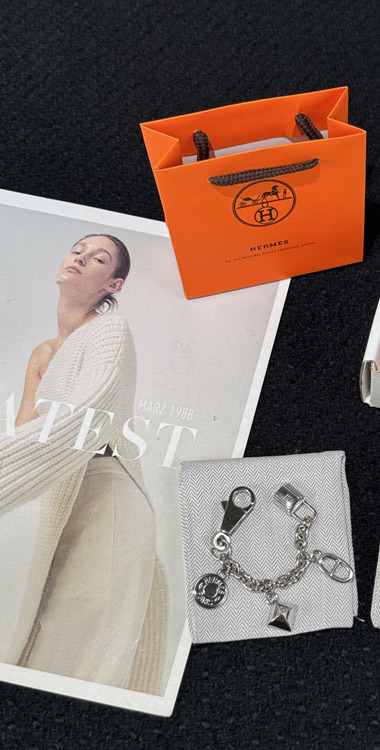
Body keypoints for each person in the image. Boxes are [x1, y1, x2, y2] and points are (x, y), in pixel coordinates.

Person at [0, 234, 166, 694]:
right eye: (78, 249)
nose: (81, 257)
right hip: (62, 497)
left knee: (86, 645)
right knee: (44, 635)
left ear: (113, 284)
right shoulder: (43, 352)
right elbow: (25, 432)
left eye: (98, 258)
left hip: (106, 494)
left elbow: (88, 411)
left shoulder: (110, 331)